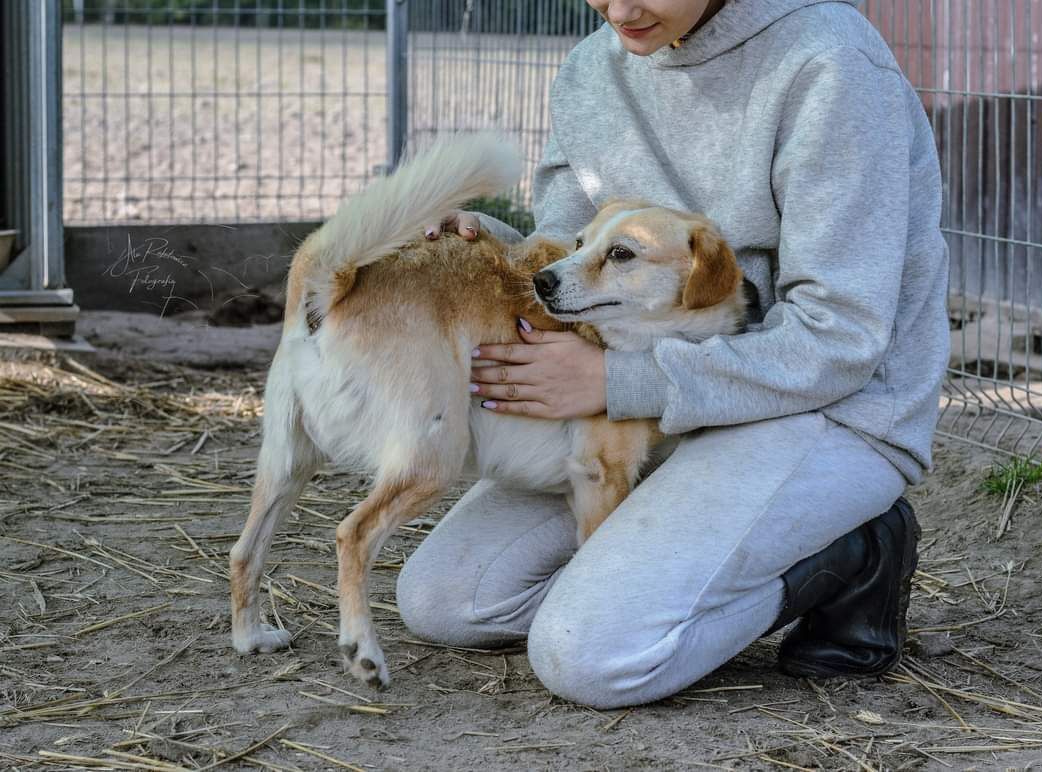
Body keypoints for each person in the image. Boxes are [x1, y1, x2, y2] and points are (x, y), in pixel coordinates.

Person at [399, 0, 949, 709]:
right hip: (653, 410)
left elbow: (841, 338)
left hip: (826, 407)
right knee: (447, 601)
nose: (618, 8)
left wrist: (616, 380)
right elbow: (575, 258)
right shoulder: (592, 70)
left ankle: (851, 552)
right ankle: (656, 583)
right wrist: (492, 245)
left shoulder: (829, 63)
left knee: (590, 659)